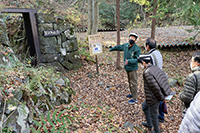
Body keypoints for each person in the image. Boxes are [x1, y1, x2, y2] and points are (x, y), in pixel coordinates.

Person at [138, 54, 171, 133]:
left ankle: (156, 131)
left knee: (153, 115)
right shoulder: (154, 67)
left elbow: (155, 88)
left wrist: (162, 98)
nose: (140, 65)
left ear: (143, 62)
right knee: (144, 106)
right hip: (152, 96)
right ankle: (149, 124)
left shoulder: (147, 72)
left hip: (154, 97)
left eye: (140, 64)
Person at [110, 33, 141, 104]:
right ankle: (132, 94)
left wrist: (129, 61)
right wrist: (111, 49)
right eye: (131, 38)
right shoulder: (125, 46)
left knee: (134, 83)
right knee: (130, 82)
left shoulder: (137, 49)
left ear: (135, 40)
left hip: (133, 68)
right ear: (128, 39)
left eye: (133, 38)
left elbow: (137, 59)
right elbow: (118, 47)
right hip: (127, 68)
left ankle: (135, 98)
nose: (131, 39)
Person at [144, 38, 165, 123]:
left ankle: (154, 120)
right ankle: (161, 116)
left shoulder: (150, 56)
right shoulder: (158, 53)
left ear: (148, 46)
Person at [179, 51, 200, 118]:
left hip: (193, 111)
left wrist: (180, 95)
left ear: (197, 63)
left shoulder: (192, 77)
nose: (190, 63)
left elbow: (187, 97)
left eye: (192, 61)